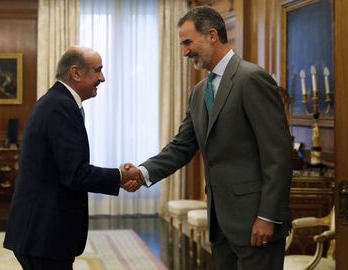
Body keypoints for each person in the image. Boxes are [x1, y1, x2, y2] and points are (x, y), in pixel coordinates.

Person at [123, 6, 292, 270]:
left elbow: (278, 155)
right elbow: (181, 147)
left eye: (188, 42)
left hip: (256, 223)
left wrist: (268, 216)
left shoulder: (251, 78)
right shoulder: (200, 91)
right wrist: (142, 172)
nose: (184, 52)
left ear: (212, 35)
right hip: (220, 223)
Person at [4, 46, 142, 270]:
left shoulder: (57, 102)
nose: (102, 78)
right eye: (98, 71)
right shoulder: (60, 106)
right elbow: (75, 174)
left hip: (42, 232)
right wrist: (120, 176)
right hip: (45, 234)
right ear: (76, 73)